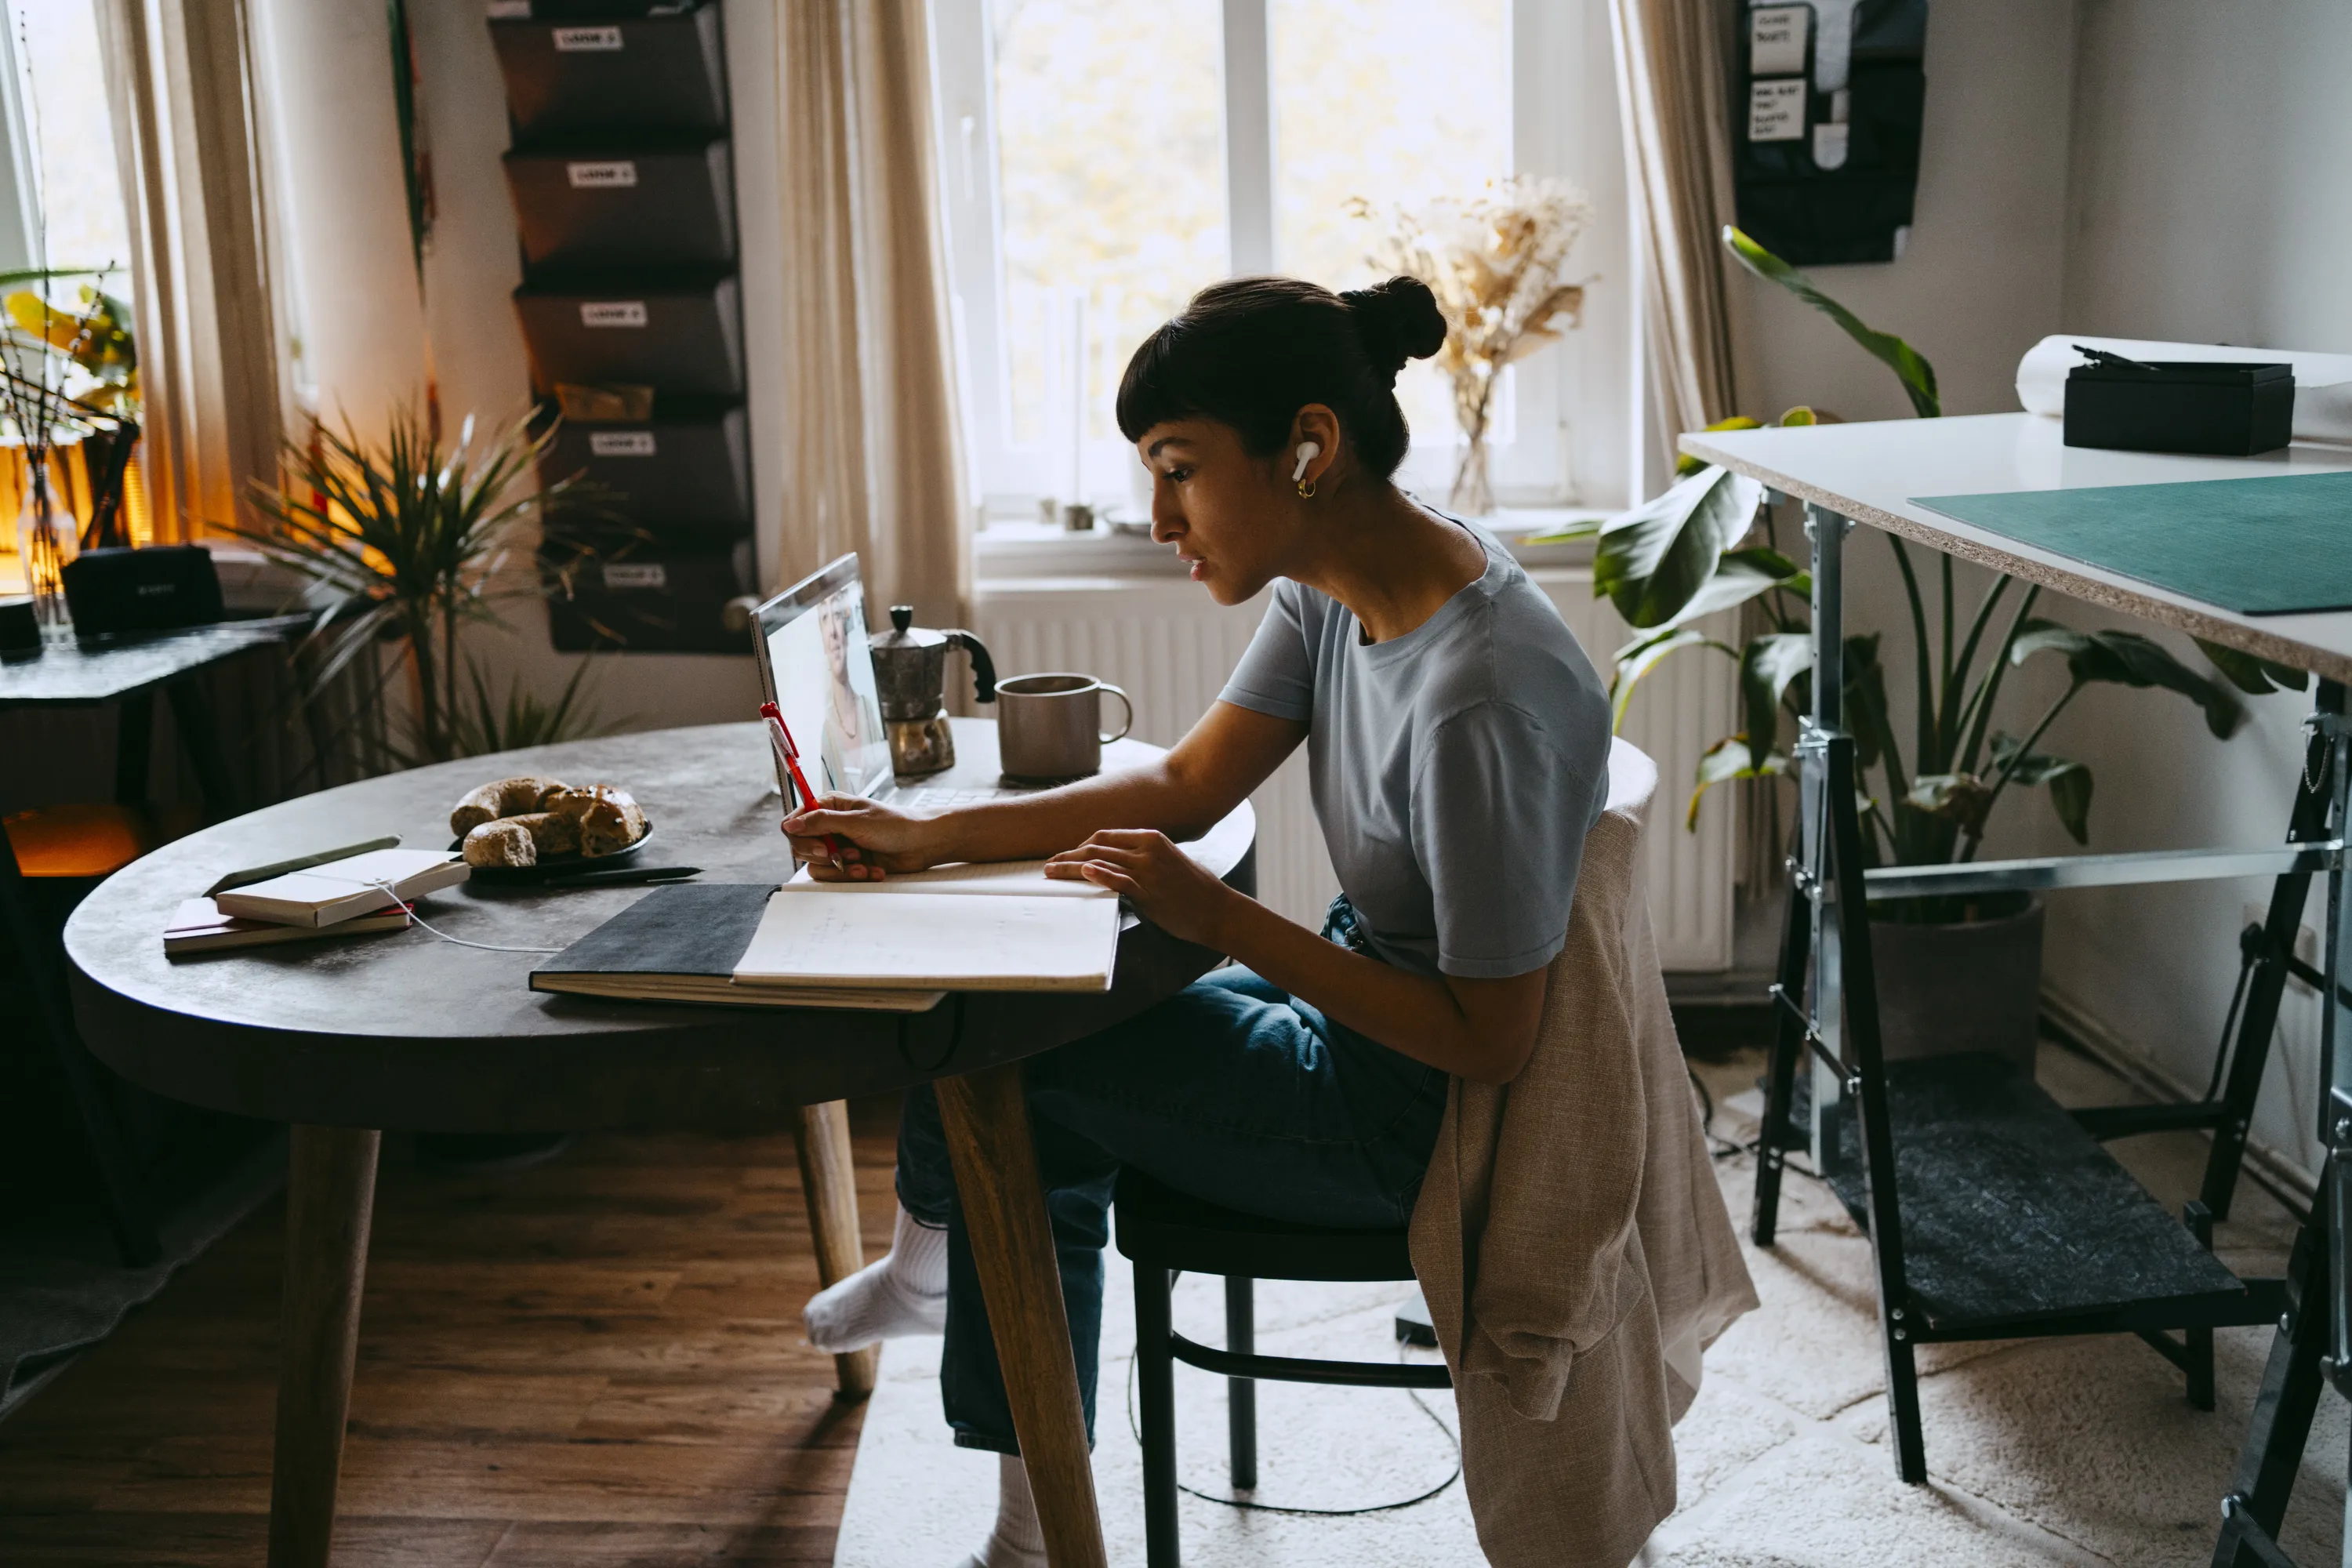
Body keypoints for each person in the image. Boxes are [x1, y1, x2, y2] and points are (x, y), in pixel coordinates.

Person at [782, 274, 1613, 1568]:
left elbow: (1492, 1043)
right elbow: (1180, 785)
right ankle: (947, 1288)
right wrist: (926, 836)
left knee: (1007, 1065)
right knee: (1012, 1013)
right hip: (1348, 1013)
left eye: (1177, 468)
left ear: (1307, 449)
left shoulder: (1479, 696)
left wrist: (1222, 919)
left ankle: (989, 1417)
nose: (1157, 514)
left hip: (1411, 1128)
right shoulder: (1335, 582)